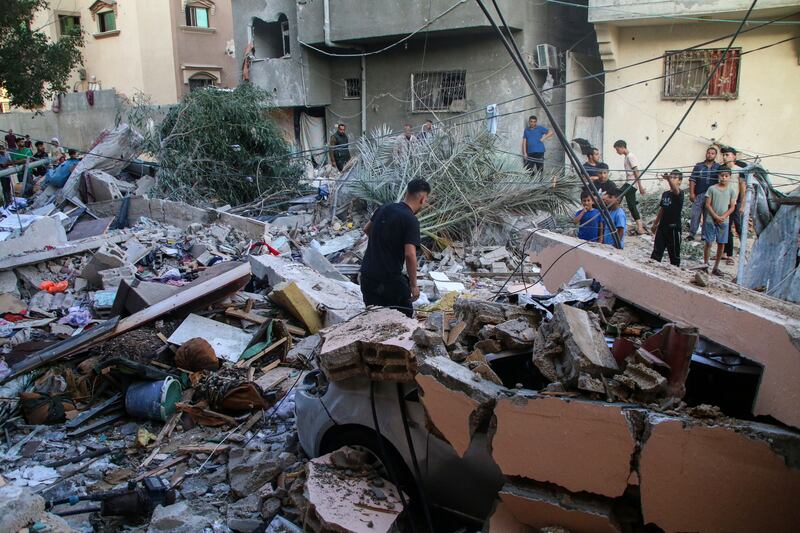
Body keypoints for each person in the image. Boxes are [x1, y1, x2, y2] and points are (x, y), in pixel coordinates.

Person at [359, 179, 431, 318]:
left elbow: (367, 229)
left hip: (367, 276)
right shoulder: (410, 220)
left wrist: (382, 245)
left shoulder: (384, 208)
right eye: (426, 199)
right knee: (403, 322)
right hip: (389, 281)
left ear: (407, 193)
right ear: (422, 199)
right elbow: (410, 254)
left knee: (374, 319)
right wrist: (414, 286)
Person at [703, 168, 738, 276]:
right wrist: (715, 216)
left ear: (729, 177)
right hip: (711, 219)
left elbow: (732, 207)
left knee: (721, 243)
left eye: (726, 176)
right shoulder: (712, 189)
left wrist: (723, 217)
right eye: (722, 175)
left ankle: (716, 267)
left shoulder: (731, 190)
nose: (724, 177)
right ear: (718, 176)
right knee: (708, 242)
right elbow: (707, 204)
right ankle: (705, 264)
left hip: (724, 221)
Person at [650, 170, 684, 267]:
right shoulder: (665, 194)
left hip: (673, 228)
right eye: (671, 177)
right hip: (662, 227)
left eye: (674, 178)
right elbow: (662, 209)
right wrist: (655, 224)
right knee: (656, 253)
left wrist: (668, 178)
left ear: (680, 181)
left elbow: (675, 190)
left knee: (674, 256)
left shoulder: (679, 193)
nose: (672, 179)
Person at [613, 139, 646, 235]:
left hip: (631, 184)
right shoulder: (626, 157)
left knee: (617, 195)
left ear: (622, 147)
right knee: (632, 206)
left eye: (617, 149)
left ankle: (614, 219)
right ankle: (640, 228)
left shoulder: (630, 156)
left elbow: (636, 171)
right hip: (630, 183)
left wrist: (640, 186)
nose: (617, 151)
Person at [720, 146, 747, 264]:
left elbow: (743, 188)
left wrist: (742, 204)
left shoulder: (739, 170)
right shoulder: (722, 170)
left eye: (728, 155)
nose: (725, 157)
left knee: (738, 226)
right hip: (725, 202)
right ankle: (727, 254)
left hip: (736, 202)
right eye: (724, 155)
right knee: (726, 227)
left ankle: (744, 249)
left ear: (734, 156)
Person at [687, 146, 720, 241]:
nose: (710, 155)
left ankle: (704, 236)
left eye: (712, 153)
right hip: (699, 194)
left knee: (707, 215)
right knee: (695, 214)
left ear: (715, 155)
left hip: (711, 196)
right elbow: (693, 179)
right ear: (706, 154)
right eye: (708, 153)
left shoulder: (718, 167)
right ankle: (692, 234)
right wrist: (692, 193)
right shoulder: (699, 166)